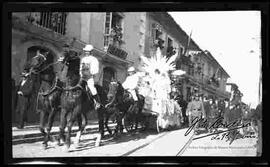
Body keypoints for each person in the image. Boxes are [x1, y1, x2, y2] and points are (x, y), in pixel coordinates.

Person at [78, 44, 102, 109]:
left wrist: (90, 73)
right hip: (82, 76)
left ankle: (97, 102)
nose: (86, 52)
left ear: (91, 52)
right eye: (85, 51)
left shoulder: (94, 59)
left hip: (89, 77)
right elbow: (80, 67)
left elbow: (95, 69)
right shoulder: (83, 59)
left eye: (88, 51)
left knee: (91, 88)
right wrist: (80, 74)